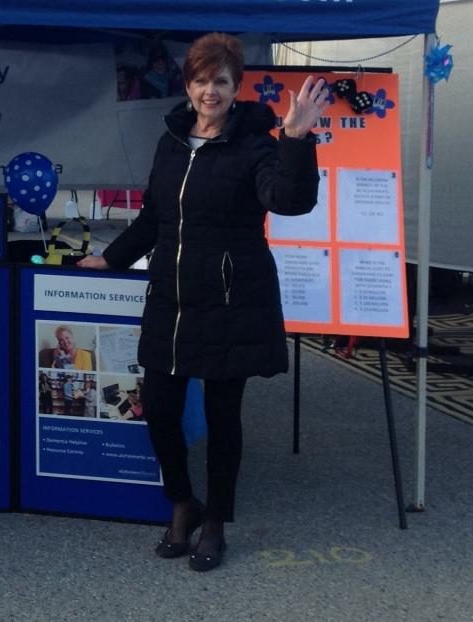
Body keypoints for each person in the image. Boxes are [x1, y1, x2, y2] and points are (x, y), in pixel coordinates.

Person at [78, 32, 329, 572]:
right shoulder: (171, 140)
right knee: (160, 411)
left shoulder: (259, 141)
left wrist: (295, 140)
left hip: (233, 298)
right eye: (199, 80)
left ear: (236, 86)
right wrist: (113, 259)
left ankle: (214, 521)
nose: (208, 91)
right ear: (187, 86)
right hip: (172, 299)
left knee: (222, 417)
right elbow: (153, 217)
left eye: (220, 81)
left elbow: (288, 201)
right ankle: (182, 502)